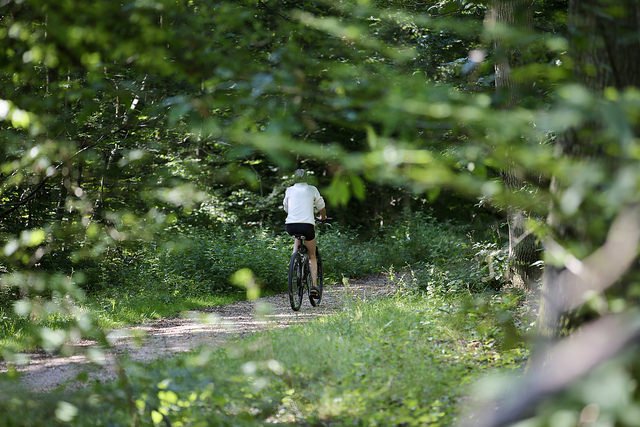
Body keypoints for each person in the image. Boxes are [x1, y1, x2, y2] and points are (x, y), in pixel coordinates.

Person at [283, 169, 327, 297]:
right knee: (312, 255)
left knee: (297, 237)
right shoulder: (312, 189)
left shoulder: (289, 190)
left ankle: (294, 262)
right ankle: (314, 286)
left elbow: (286, 208)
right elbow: (321, 207)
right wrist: (323, 217)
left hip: (290, 226)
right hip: (307, 226)